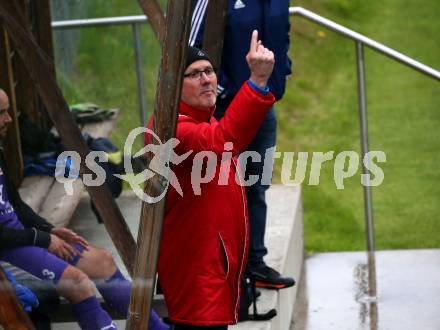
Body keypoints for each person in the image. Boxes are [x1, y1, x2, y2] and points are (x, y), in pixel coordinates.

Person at [0, 89, 168, 330]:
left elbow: (16, 205)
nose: (8, 119)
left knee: (102, 261)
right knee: (78, 282)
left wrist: (51, 230)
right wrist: (42, 238)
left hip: (24, 239)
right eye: (2, 113)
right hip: (9, 250)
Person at [145, 32, 275, 329]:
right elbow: (224, 141)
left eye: (209, 71)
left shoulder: (202, 119)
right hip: (197, 270)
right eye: (194, 74)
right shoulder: (173, 130)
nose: (206, 79)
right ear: (173, 87)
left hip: (212, 266)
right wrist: (256, 82)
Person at [190, 0, 294, 289]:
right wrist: (221, 90)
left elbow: (281, 32)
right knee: (218, 190)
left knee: (256, 186)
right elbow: (189, 48)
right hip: (226, 109)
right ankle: (220, 267)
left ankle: (255, 265)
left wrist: (280, 71)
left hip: (262, 103)